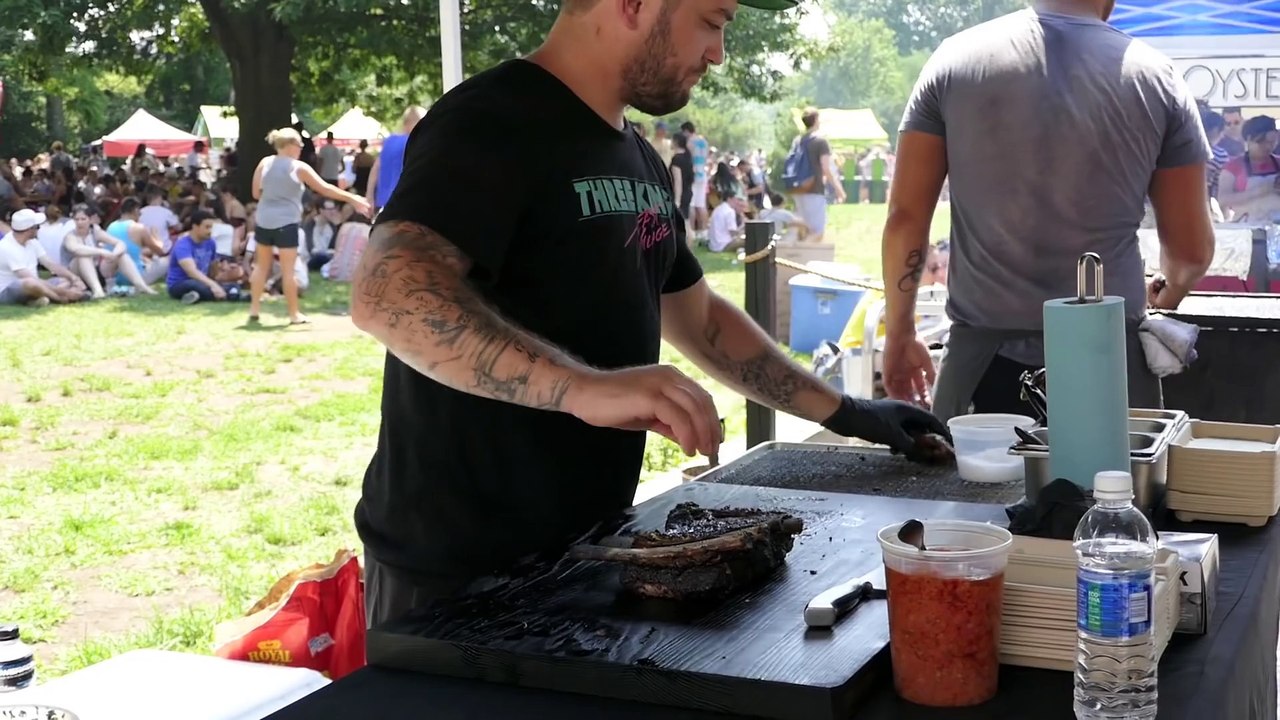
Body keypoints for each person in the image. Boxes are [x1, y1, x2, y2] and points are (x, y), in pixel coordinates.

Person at [349, 0, 948, 629]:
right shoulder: (492, 118)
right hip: (454, 577)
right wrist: (582, 388)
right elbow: (389, 292)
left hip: (588, 554)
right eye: (712, 21)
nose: (718, 54)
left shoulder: (638, 158)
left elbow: (701, 320)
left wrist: (849, 412)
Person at [881, 0, 1215, 421]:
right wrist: (1170, 291)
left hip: (979, 372)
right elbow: (1190, 252)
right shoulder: (1156, 76)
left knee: (966, 466)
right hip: (1110, 362)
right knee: (1117, 469)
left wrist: (899, 333)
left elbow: (905, 219)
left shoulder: (953, 60)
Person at [250, 127, 371, 325]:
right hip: (286, 222)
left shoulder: (264, 163)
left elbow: (256, 194)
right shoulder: (298, 167)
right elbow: (325, 188)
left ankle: (254, 310)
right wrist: (352, 198)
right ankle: (294, 314)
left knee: (261, 266)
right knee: (289, 271)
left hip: (264, 220)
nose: (301, 149)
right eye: (299, 145)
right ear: (290, 145)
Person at [0, 208, 88, 306]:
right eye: (37, 227)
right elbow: (28, 277)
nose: (39, 229)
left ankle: (38, 299)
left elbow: (50, 264)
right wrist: (64, 293)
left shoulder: (32, 242)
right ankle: (61, 299)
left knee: (65, 280)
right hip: (10, 290)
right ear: (30, 230)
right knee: (30, 283)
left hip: (36, 283)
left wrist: (74, 278)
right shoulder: (7, 247)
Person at [1217, 115, 1280, 223]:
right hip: (1246, 226)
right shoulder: (1233, 166)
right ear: (1248, 139)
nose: (1267, 146)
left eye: (1272, 142)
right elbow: (1223, 200)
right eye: (1261, 142)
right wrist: (1261, 190)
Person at [166, 210, 238, 304]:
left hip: (202, 281)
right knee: (197, 286)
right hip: (181, 283)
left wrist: (217, 281)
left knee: (234, 286)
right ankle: (232, 295)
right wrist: (213, 285)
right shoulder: (183, 245)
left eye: (212, 227)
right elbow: (192, 272)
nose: (210, 231)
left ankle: (196, 296)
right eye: (207, 227)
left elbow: (213, 268)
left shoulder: (211, 243)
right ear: (195, 227)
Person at [366, 106, 428, 214]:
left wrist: (369, 196)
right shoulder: (415, 143)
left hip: (383, 204)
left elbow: (375, 169)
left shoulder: (389, 141)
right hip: (406, 204)